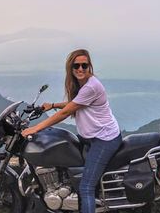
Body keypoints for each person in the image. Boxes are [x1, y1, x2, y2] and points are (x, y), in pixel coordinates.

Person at [22, 49, 121, 213]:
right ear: (71, 67)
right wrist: (52, 105)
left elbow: (67, 112)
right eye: (77, 65)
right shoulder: (84, 86)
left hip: (104, 139)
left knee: (86, 187)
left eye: (84, 65)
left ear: (89, 66)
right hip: (92, 137)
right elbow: (75, 103)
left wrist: (35, 128)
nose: (80, 69)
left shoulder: (91, 86)